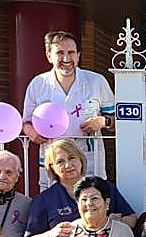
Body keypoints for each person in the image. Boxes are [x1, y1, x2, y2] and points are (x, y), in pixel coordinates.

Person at [22, 31, 115, 185]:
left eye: (71, 52)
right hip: (52, 163)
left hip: (89, 162)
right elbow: (25, 122)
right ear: (49, 56)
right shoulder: (38, 84)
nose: (66, 59)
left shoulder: (97, 81)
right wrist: (30, 132)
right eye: (60, 53)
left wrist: (103, 121)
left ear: (78, 55)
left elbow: (117, 121)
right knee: (53, 206)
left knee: (89, 205)